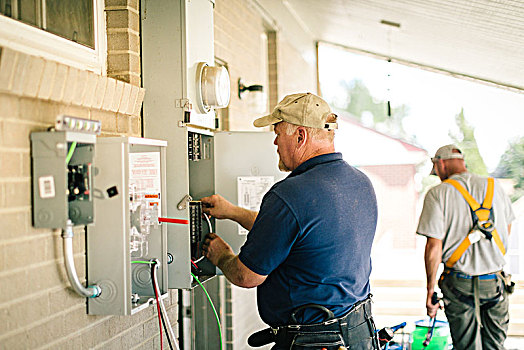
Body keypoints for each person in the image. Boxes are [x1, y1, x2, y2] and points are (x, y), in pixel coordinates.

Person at [201, 92, 379, 349]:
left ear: (300, 136)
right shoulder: (360, 183)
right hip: (359, 334)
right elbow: (297, 234)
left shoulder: (289, 194)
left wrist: (221, 255)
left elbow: (246, 276)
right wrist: (232, 212)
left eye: (277, 132)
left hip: (314, 341)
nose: (274, 142)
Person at [417, 144, 515, 350]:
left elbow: (434, 246)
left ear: (440, 164)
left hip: (459, 282)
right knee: (496, 345)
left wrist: (429, 290)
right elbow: (507, 226)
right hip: (495, 281)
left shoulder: (438, 193)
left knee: (467, 347)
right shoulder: (494, 186)